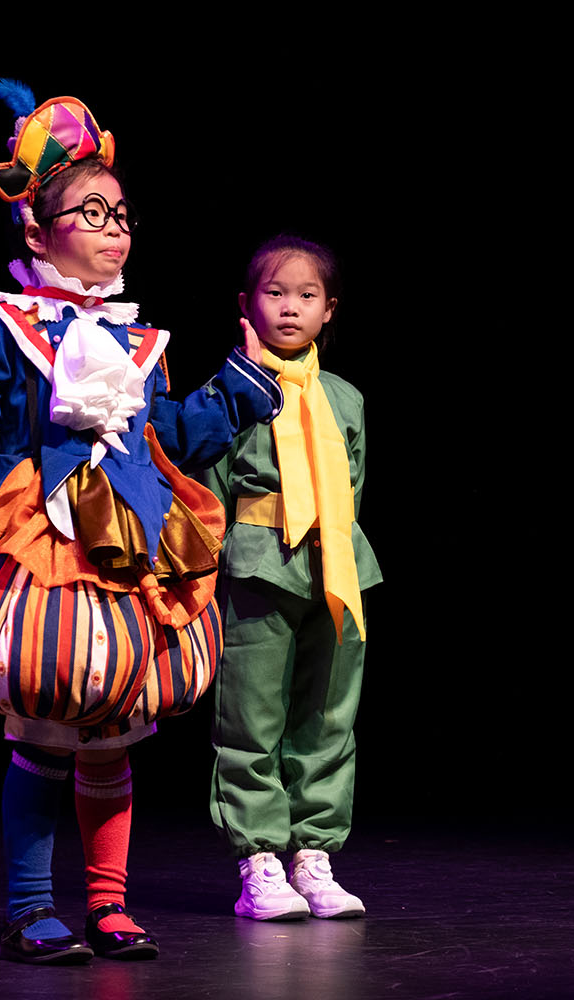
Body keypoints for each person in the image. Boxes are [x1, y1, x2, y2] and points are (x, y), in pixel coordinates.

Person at [0, 85, 282, 963]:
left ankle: (109, 904)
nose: (113, 228)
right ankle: (27, 906)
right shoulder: (8, 331)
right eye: (90, 212)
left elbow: (171, 438)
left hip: (131, 542)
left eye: (120, 212)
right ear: (36, 232)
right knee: (47, 735)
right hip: (44, 547)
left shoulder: (139, 343)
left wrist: (240, 382)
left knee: (115, 736)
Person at [204, 235, 382, 921]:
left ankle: (315, 854)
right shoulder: (230, 389)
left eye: (306, 296)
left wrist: (332, 545)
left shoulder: (346, 398)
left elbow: (355, 482)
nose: (290, 308)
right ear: (246, 304)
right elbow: (210, 486)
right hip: (258, 563)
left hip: (336, 567)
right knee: (251, 716)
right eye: (275, 293)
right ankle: (259, 860)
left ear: (329, 309)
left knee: (328, 718)